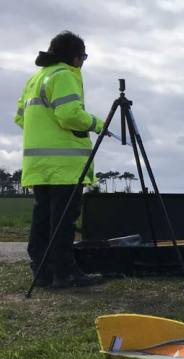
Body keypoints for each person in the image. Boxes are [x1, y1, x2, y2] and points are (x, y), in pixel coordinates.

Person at [15, 31, 106, 288]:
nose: (83, 62)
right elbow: (69, 115)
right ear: (75, 57)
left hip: (38, 164)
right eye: (84, 56)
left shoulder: (36, 78)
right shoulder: (64, 75)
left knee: (42, 217)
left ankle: (42, 271)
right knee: (63, 219)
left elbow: (21, 117)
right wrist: (98, 124)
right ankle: (65, 272)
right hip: (63, 165)